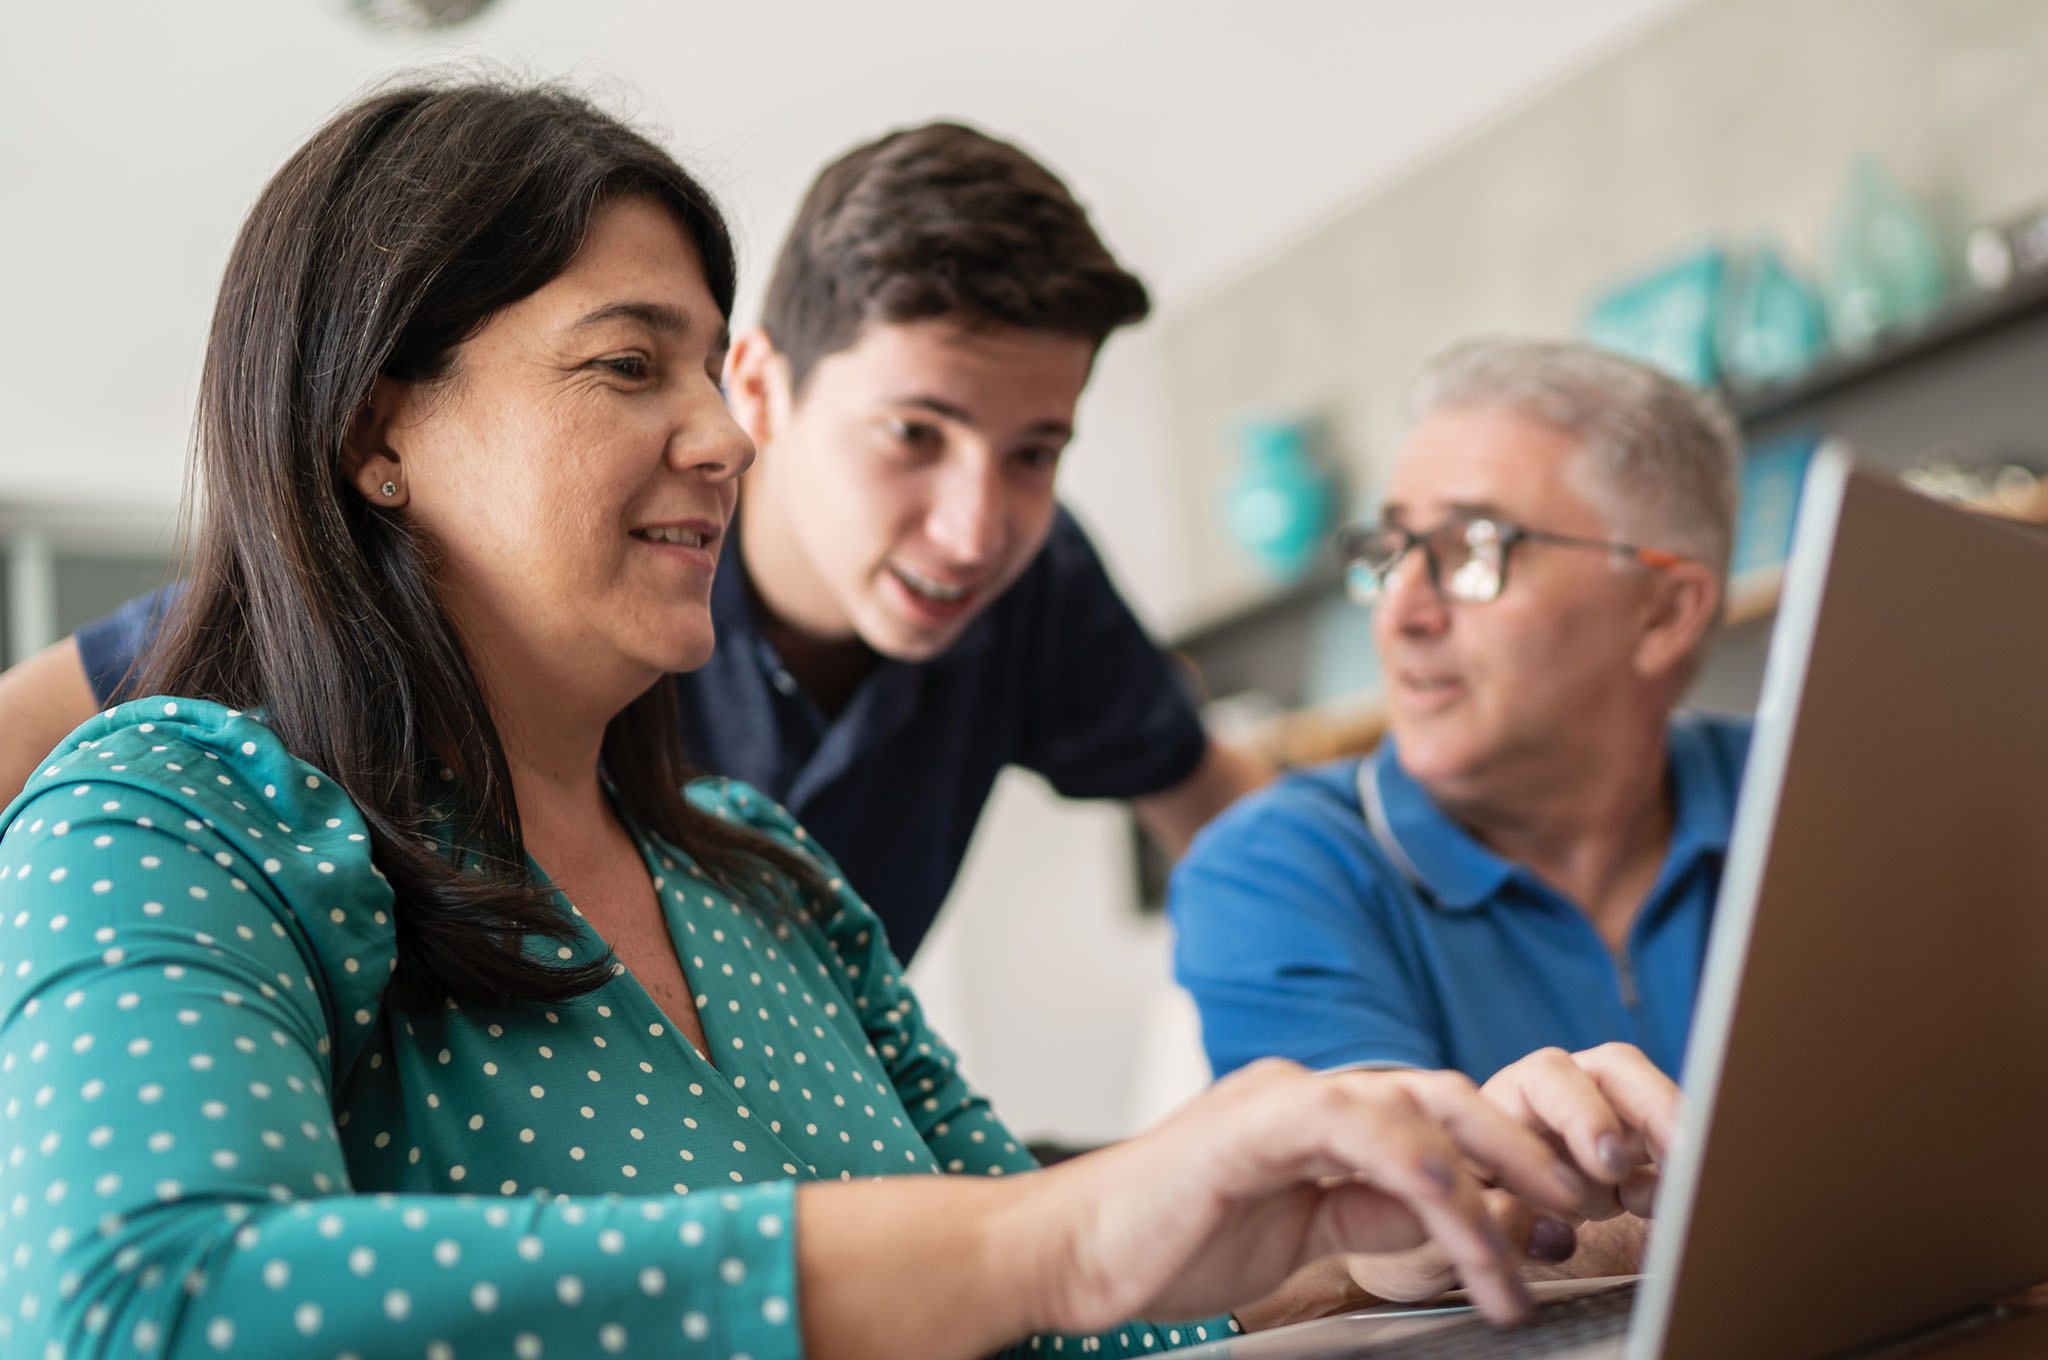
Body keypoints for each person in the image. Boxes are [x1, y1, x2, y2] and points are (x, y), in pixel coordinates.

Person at [0, 82, 1676, 1359]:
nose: (719, 438)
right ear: (379, 434)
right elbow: (138, 1302)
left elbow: (1038, 1291)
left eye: (701, 367)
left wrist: (1362, 1223)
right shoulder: (173, 812)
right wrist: (1056, 1242)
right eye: (623, 367)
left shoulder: (770, 880)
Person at [0, 118, 1269, 962]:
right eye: (912, 435)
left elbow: (1231, 826)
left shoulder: (1036, 593)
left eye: (1034, 453)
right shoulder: (244, 744)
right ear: (766, 389)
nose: (975, 524)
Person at [1170, 336, 1747, 1085]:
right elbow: (1374, 1192)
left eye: (1474, 549)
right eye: (1392, 550)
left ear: (1665, 613)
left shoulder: (1818, 789)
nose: (1399, 611)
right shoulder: (1273, 869)